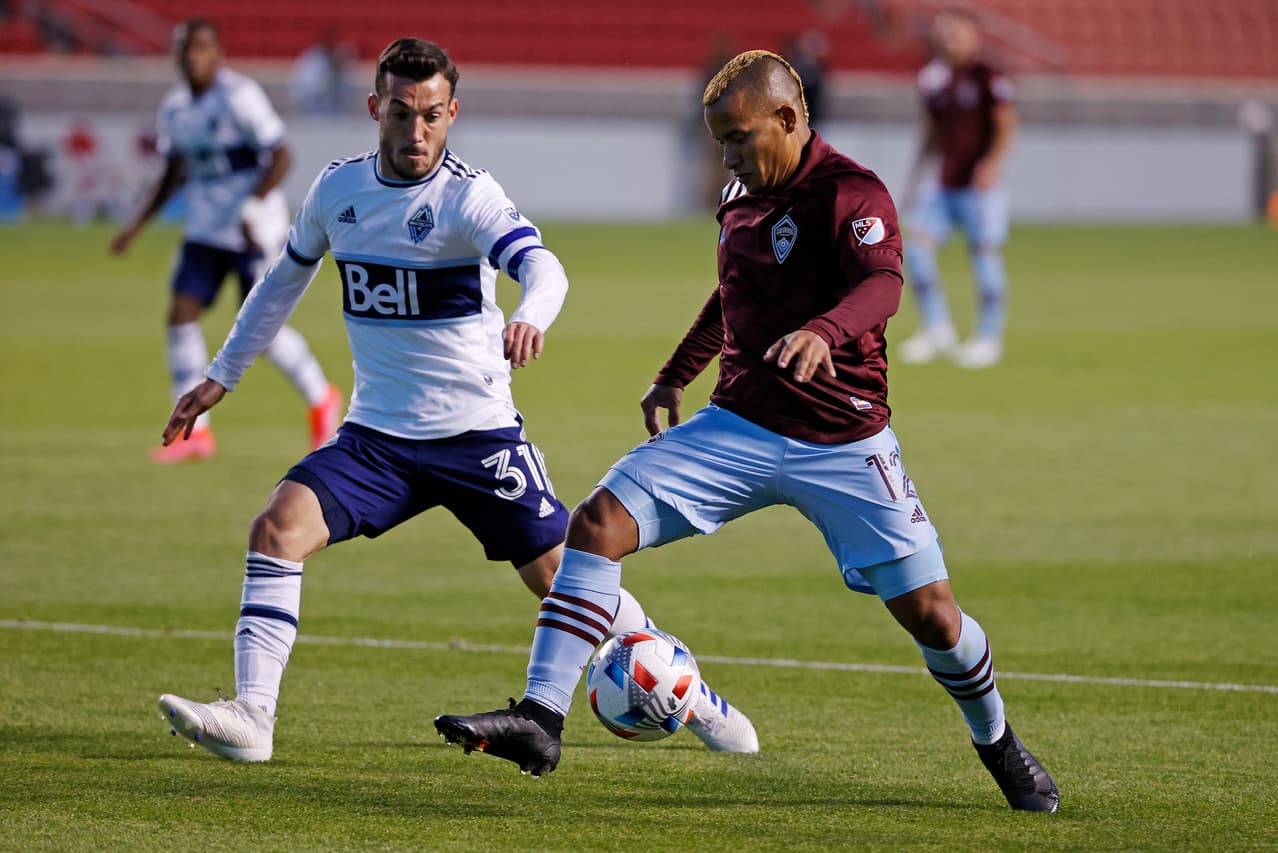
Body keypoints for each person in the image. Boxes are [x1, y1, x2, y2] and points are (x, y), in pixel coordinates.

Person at [435, 50, 1059, 813]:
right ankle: (540, 715)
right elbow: (731, 290)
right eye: (718, 140)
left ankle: (997, 741)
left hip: (845, 441)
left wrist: (828, 330)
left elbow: (884, 283)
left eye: (737, 136)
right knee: (596, 523)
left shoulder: (851, 194)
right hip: (737, 426)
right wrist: (675, 371)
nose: (726, 155)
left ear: (790, 119)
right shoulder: (740, 195)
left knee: (933, 614)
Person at [154, 38, 757, 763]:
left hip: (478, 439)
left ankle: (691, 697)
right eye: (402, 113)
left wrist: (532, 310)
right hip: (376, 438)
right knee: (277, 529)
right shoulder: (337, 192)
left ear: (452, 114)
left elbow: (544, 265)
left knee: (563, 583)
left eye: (433, 116)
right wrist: (223, 373)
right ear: (376, 108)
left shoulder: (467, 195)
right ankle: (252, 718)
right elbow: (283, 280)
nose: (417, 132)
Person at [110, 18, 341, 462]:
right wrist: (136, 227)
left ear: (217, 54)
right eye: (184, 49)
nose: (191, 57)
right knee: (181, 314)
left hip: (253, 229)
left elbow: (282, 155)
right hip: (205, 230)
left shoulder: (240, 98)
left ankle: (321, 397)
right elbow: (173, 172)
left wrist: (252, 206)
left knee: (260, 331)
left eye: (200, 48)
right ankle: (195, 433)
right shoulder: (175, 109)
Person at [897, 7, 1017, 369]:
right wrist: (916, 179)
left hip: (978, 187)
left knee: (984, 255)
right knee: (916, 251)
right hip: (944, 183)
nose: (948, 39)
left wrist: (992, 163)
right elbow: (931, 132)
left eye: (955, 32)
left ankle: (988, 337)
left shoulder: (987, 76)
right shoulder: (932, 78)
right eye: (943, 32)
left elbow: (1006, 123)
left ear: (973, 36)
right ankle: (937, 329)